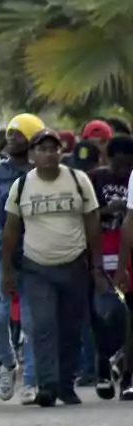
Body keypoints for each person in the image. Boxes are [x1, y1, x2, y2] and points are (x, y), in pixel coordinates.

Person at [2, 129, 104, 407]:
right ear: (33, 154)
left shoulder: (77, 180)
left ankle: (65, 385)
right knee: (43, 325)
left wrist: (96, 264)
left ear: (61, 152)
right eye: (42, 149)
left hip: (74, 264)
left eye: (54, 149)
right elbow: (11, 230)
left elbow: (92, 221)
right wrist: (6, 269)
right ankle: (47, 385)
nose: (49, 154)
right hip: (37, 267)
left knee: (70, 327)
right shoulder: (22, 186)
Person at [0, 115, 43, 403]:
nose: (10, 138)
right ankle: (8, 364)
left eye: (18, 134)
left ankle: (31, 381)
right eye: (9, 133)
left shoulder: (41, 172)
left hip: (33, 254)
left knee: (31, 321)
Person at [90, 136, 133, 398]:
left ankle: (124, 369)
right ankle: (103, 369)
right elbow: (87, 215)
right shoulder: (95, 179)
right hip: (101, 250)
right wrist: (108, 210)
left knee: (126, 316)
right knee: (105, 316)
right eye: (121, 162)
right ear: (110, 156)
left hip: (124, 252)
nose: (125, 169)